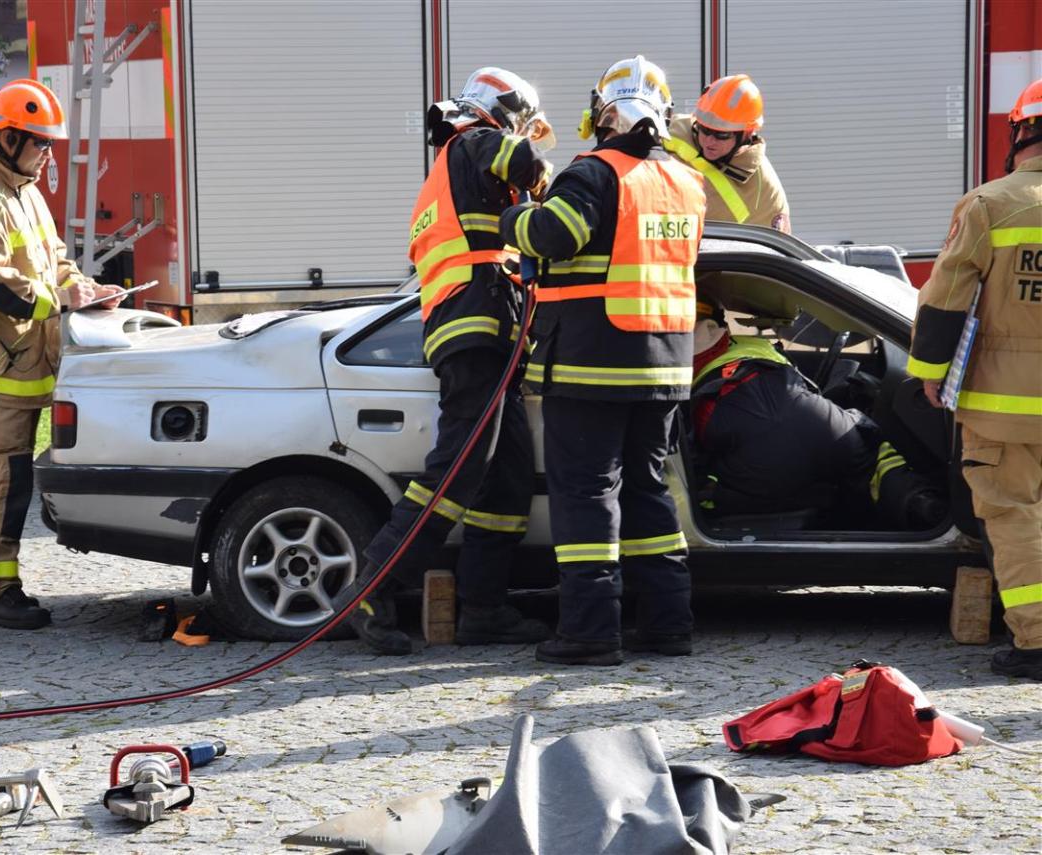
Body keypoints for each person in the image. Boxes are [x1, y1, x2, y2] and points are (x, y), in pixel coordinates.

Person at [499, 56, 706, 665]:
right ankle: (668, 624)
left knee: (586, 495)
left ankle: (589, 633)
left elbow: (554, 235)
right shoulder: (686, 181)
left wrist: (514, 218)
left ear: (602, 114)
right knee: (648, 490)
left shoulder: (594, 173)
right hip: (665, 364)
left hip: (593, 362)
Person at [341, 67, 554, 654]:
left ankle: (485, 609)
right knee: (457, 471)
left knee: (506, 478)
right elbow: (522, 162)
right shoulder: (474, 141)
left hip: (486, 334)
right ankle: (372, 587)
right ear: (504, 115)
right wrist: (547, 178)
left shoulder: (449, 170)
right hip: (476, 329)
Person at [0, 79, 122, 630]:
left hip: (18, 365)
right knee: (6, 479)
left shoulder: (24, 193)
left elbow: (54, 262)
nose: (49, 155)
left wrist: (85, 288)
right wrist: (63, 300)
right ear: (8, 138)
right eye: (41, 143)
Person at [907, 78, 1042, 681]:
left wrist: (928, 374)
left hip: (1003, 405)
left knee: (1013, 514)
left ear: (1021, 130)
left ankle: (1037, 640)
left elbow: (945, 300)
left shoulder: (991, 204)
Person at [690, 296, 945, 528]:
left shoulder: (681, 354)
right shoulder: (746, 346)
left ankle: (916, 506)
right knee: (867, 451)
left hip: (752, 457)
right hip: (803, 422)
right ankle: (922, 507)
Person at [664, 74, 790, 233]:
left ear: (746, 133)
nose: (709, 140)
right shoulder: (673, 130)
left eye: (721, 135)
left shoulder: (763, 192)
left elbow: (774, 243)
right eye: (704, 130)